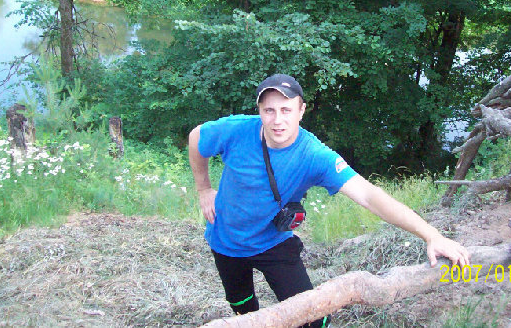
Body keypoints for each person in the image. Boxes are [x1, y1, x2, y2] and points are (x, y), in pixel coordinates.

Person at [189, 74, 470, 327]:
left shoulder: (314, 155)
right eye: (269, 110)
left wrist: (431, 235)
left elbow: (369, 195)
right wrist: (204, 189)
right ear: (259, 111)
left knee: (313, 318)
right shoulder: (236, 130)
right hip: (226, 241)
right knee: (242, 308)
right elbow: (196, 137)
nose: (277, 120)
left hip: (274, 241)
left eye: (286, 110)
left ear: (301, 110)